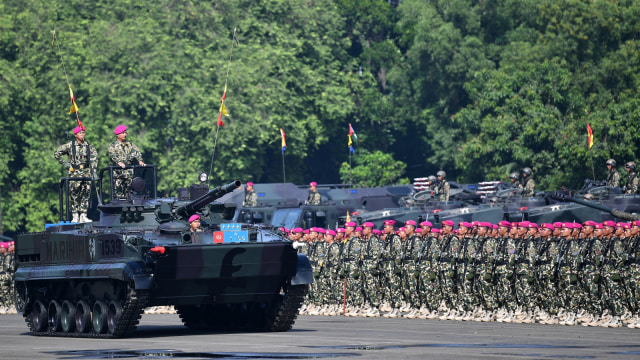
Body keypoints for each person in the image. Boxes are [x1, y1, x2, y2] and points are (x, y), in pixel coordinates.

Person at [54, 126, 98, 223]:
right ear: (75, 135)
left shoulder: (88, 146)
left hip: (86, 172)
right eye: (80, 133)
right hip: (74, 172)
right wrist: (66, 164)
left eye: (83, 133)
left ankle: (83, 215)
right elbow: (57, 154)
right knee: (74, 193)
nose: (82, 134)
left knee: (86, 193)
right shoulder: (70, 145)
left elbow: (94, 158)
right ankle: (75, 215)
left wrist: (93, 171)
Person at [108, 125, 146, 199]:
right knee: (119, 194)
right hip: (118, 174)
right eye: (123, 133)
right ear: (117, 134)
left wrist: (140, 161)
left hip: (129, 173)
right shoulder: (113, 145)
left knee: (130, 193)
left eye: (125, 133)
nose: (125, 134)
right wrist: (119, 162)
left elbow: (137, 152)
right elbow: (112, 155)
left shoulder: (130, 145)